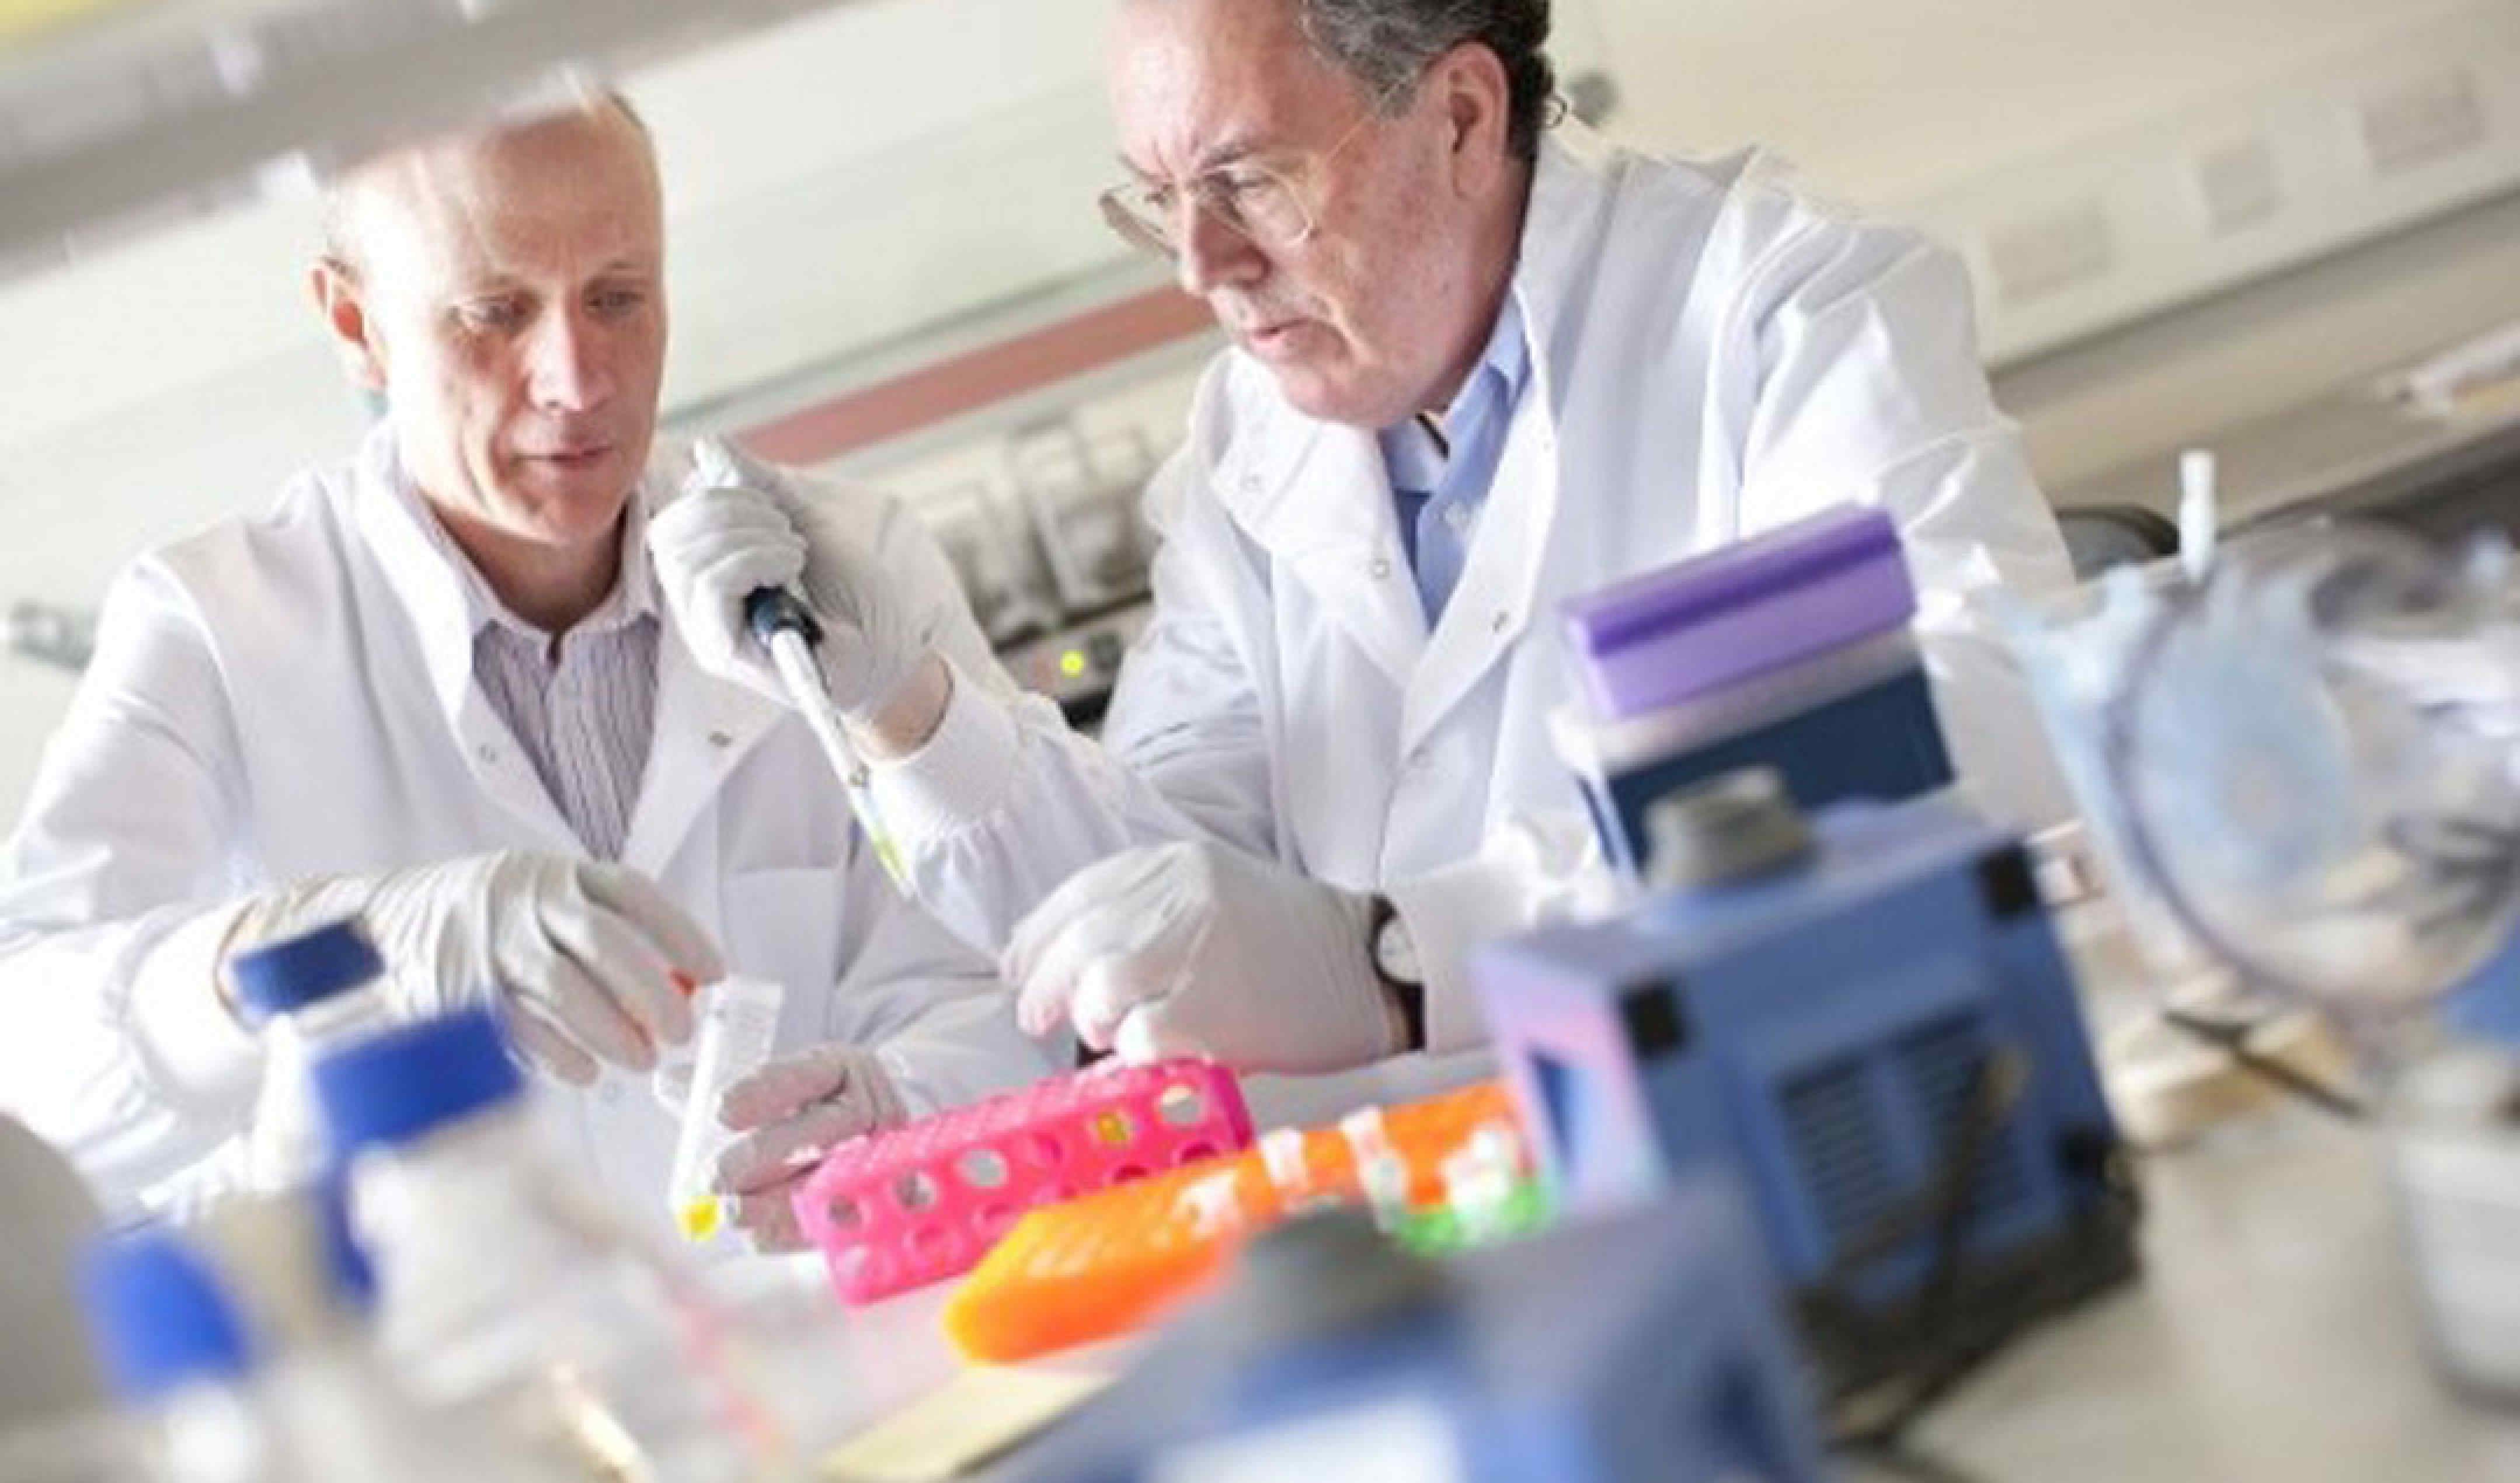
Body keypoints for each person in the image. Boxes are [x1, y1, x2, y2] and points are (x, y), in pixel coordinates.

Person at [650, 0, 2077, 1118]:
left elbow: (1991, 728)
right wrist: (908, 711)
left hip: (1823, 1133)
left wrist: (1402, 962)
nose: (1200, 264)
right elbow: (1166, 903)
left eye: (1248, 181)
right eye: (1156, 198)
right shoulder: (1250, 444)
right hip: (1444, 1222)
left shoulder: (1785, 310)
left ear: (1460, 114)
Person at [0, 96, 1045, 1248]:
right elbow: (29, 1061)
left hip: (858, 1339)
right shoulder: (213, 627)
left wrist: (908, 1101)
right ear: (356, 324)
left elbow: (1022, 963)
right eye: (494, 313)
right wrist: (351, 946)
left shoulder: (847, 569)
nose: (577, 379)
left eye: (618, 298)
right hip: (469, 1391)